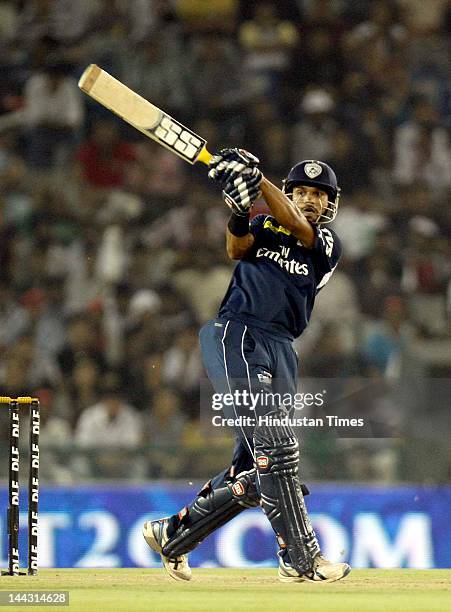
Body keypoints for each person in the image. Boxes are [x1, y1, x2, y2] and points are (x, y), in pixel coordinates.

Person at [143, 149, 351, 583]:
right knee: (275, 444)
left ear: (329, 204)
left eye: (318, 194)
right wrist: (241, 210)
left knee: (254, 469)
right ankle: (302, 558)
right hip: (239, 332)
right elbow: (237, 249)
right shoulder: (264, 225)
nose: (310, 200)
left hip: (282, 348)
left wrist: (257, 182)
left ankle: (173, 534)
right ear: (291, 193)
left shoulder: (327, 245)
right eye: (301, 191)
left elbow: (298, 224)